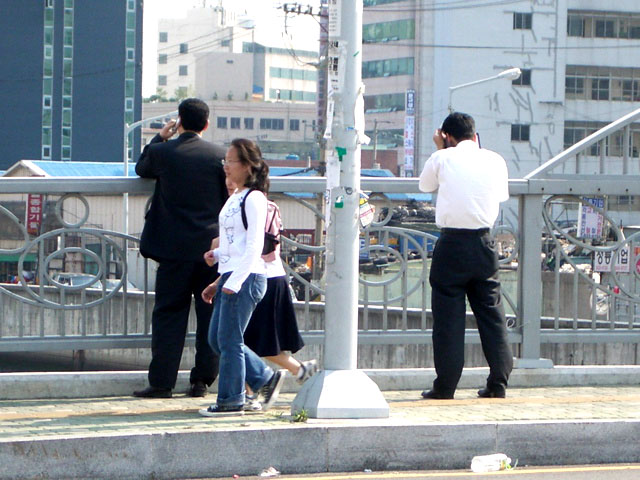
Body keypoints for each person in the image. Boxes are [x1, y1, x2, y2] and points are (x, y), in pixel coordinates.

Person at [133, 98, 228, 399]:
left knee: (168, 316)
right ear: (207, 124)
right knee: (209, 315)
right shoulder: (219, 156)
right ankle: (202, 381)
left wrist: (160, 137)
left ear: (179, 122)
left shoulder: (163, 152)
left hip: (172, 250)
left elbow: (141, 168)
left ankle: (161, 383)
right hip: (211, 250)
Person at [418, 112, 513, 400]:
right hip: (484, 243)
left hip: (451, 244)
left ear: (446, 136)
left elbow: (425, 186)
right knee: (492, 315)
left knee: (448, 319)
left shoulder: (442, 157)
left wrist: (440, 149)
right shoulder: (495, 159)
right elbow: (501, 196)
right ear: (474, 135)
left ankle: (445, 386)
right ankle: (498, 384)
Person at [202, 179, 318, 410]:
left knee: (237, 340)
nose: (229, 182)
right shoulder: (239, 205)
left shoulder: (254, 205)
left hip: (260, 278)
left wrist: (221, 269)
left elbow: (256, 250)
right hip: (253, 277)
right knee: (234, 340)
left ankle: (260, 385)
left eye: (234, 172)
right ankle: (269, 381)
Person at [199, 138, 285, 417]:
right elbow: (236, 242)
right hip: (231, 275)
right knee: (218, 339)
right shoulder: (236, 196)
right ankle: (264, 378)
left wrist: (234, 282)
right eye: (225, 161)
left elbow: (254, 244)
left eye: (231, 161)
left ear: (248, 166)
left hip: (245, 278)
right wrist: (217, 256)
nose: (226, 166)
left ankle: (231, 399)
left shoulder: (254, 198)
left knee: (229, 341)